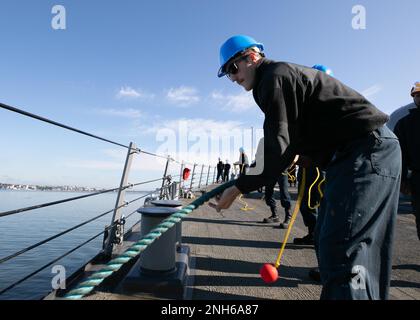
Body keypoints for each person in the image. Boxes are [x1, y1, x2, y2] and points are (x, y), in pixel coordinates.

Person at [209, 35, 401, 300]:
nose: (234, 78)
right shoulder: (278, 77)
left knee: (344, 248)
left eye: (233, 69)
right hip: (358, 155)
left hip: (365, 152)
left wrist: (237, 188)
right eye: (228, 75)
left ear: (251, 57)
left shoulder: (273, 77)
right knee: (333, 240)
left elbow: (278, 147)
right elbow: (289, 141)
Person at [393, 82, 420, 241]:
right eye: (417, 95)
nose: (419, 97)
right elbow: (400, 155)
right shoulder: (405, 124)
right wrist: (402, 180)